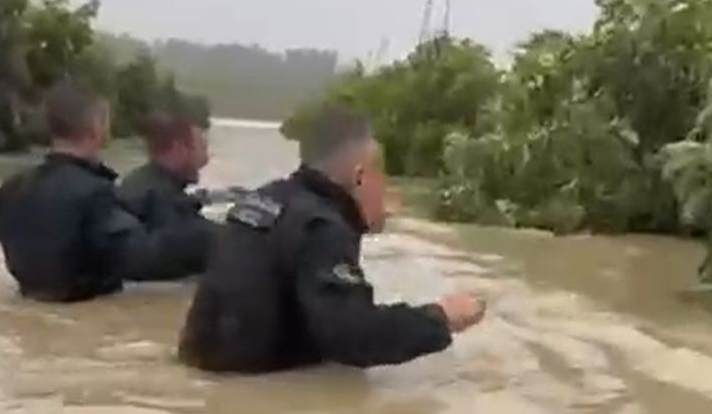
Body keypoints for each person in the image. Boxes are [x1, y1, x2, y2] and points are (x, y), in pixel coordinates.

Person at [178, 105, 487, 373]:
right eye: (385, 179)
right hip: (257, 394)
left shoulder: (262, 199)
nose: (392, 194)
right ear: (359, 175)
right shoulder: (323, 228)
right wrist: (441, 317)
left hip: (202, 371)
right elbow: (352, 336)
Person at [0, 81, 192, 302]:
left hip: (26, 310)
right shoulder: (97, 194)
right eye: (106, 119)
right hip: (87, 311)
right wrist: (206, 239)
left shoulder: (13, 187)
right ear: (95, 126)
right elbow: (143, 256)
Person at [114, 111, 217, 279]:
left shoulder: (139, 182)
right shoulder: (160, 197)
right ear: (179, 148)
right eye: (202, 147)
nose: (206, 159)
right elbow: (190, 243)